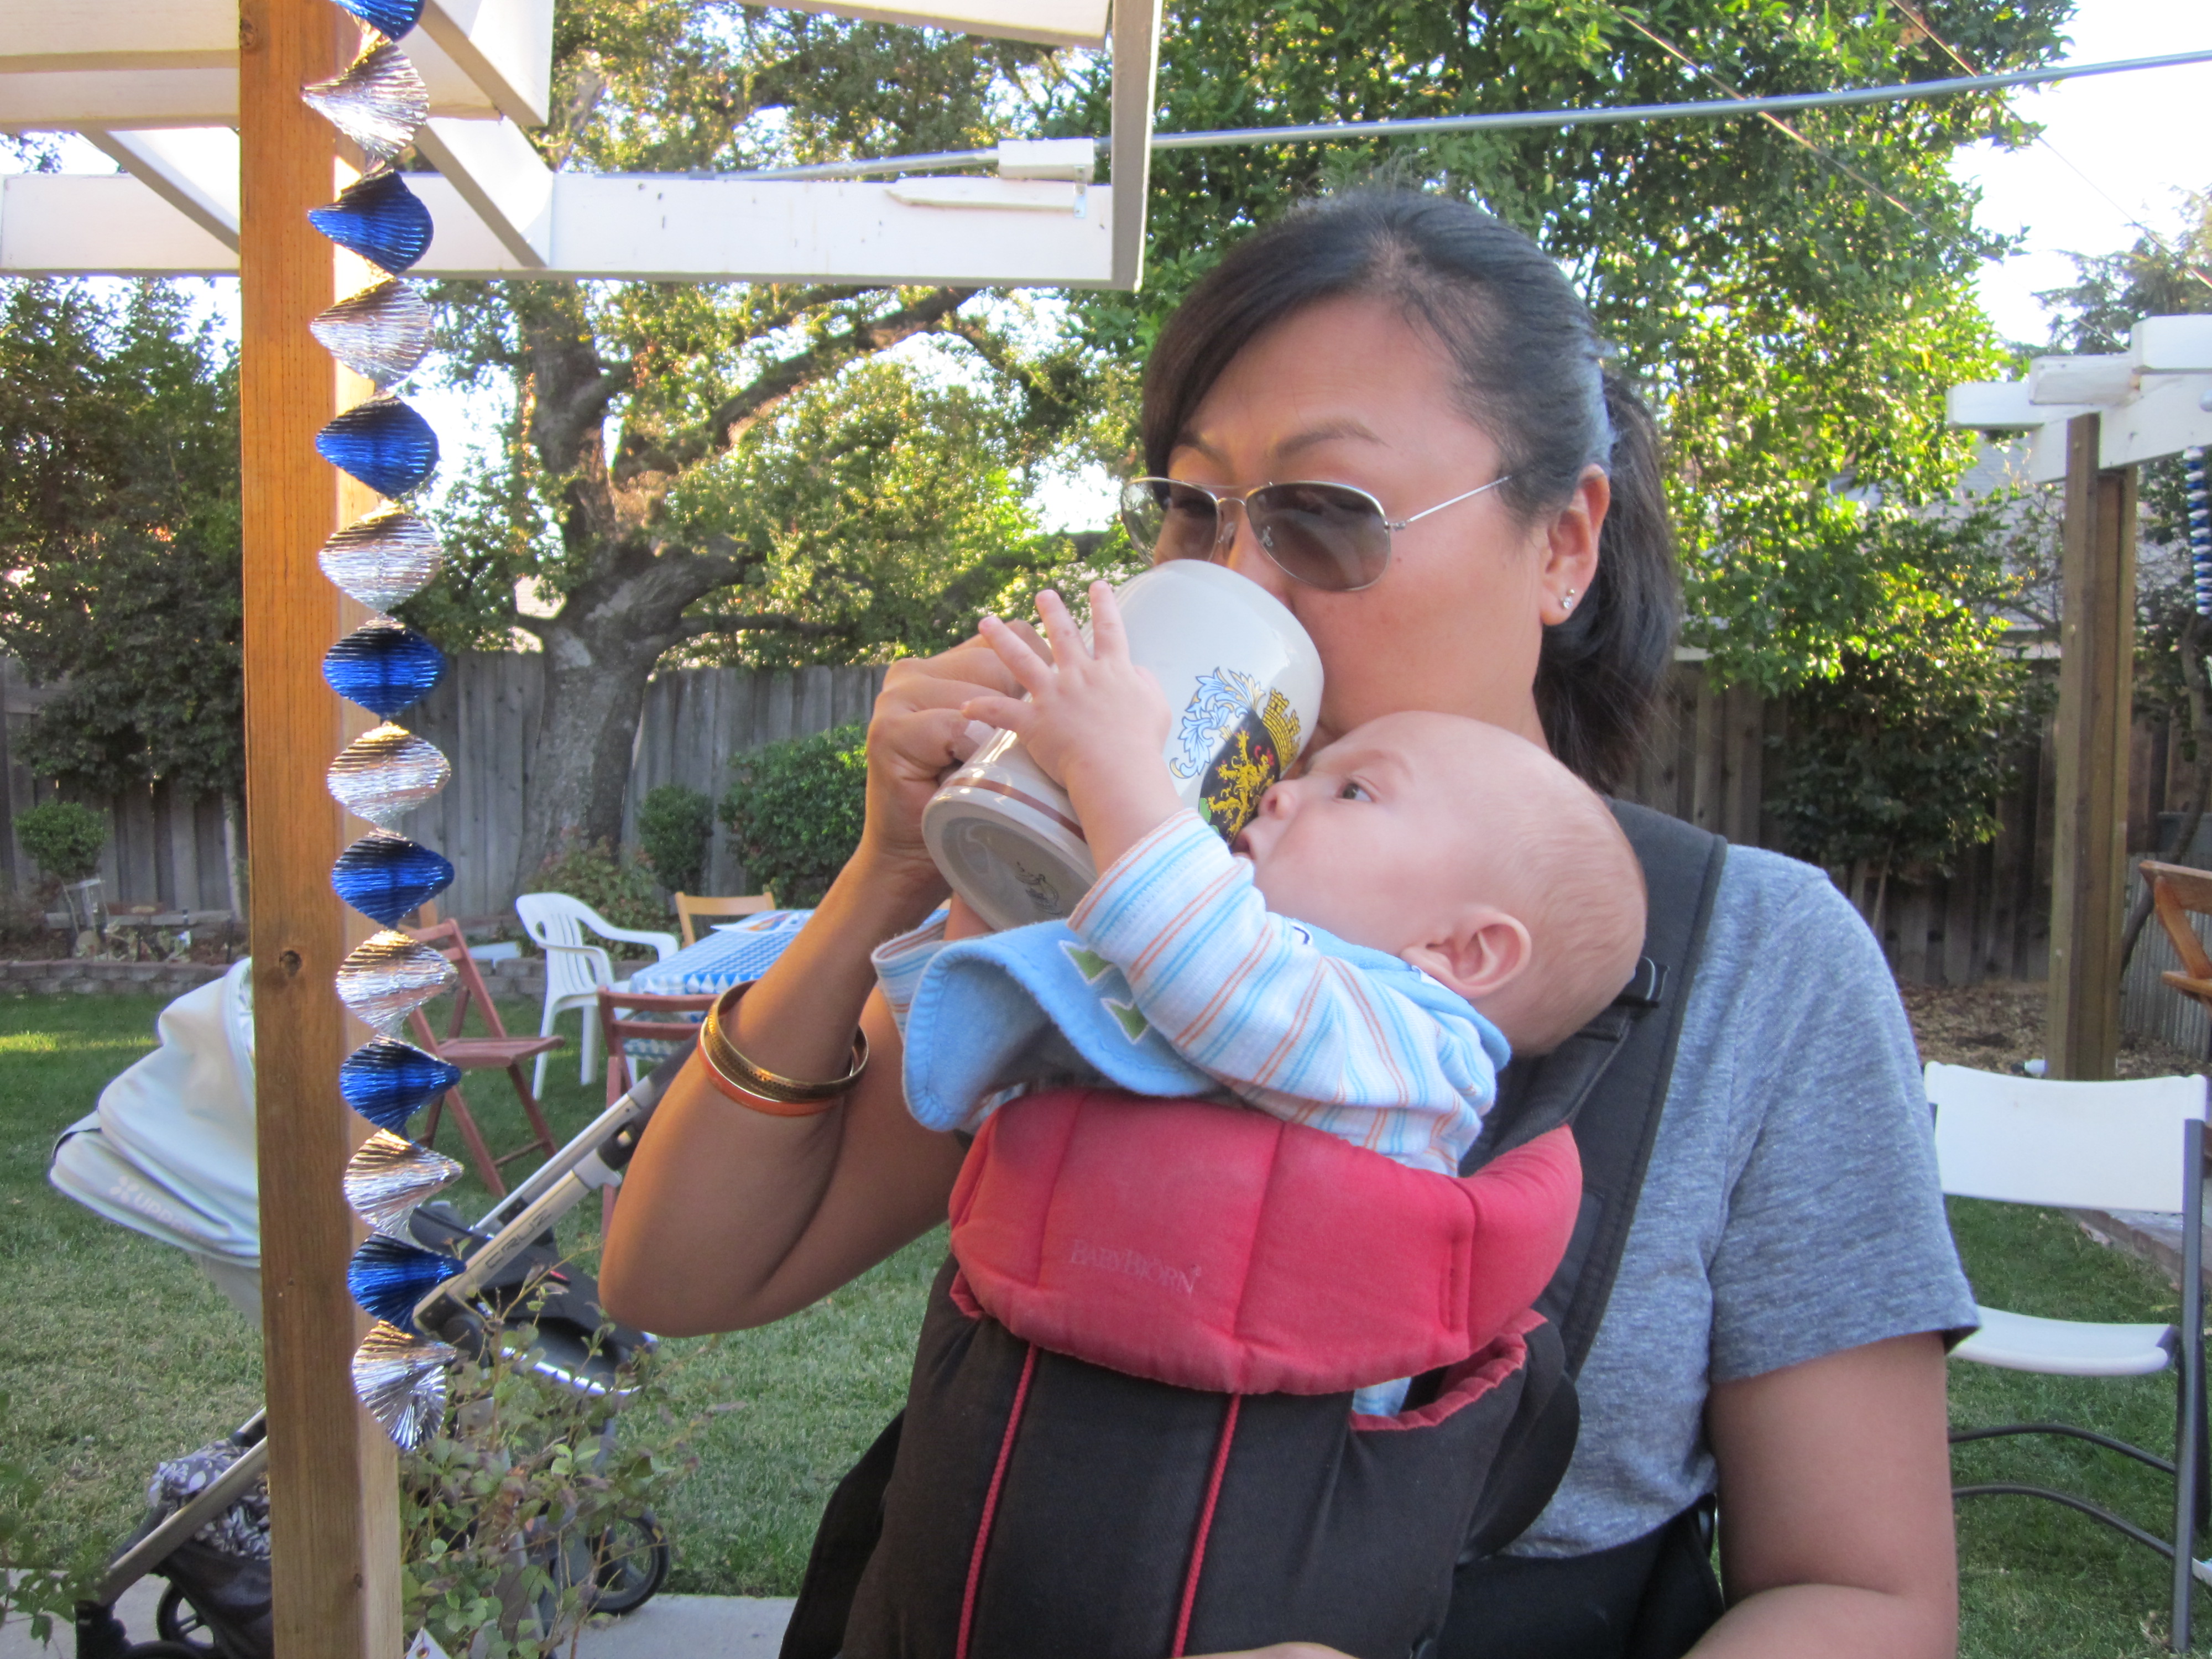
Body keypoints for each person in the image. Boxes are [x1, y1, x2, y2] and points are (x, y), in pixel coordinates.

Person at [601, 188, 1974, 1659]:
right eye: (1194, 511)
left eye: (1326, 517)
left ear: (1564, 543)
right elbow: (678, 1275)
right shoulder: (1112, 900)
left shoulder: (1755, 959)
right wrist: (888, 872)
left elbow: (1865, 1592)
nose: (1235, 577)